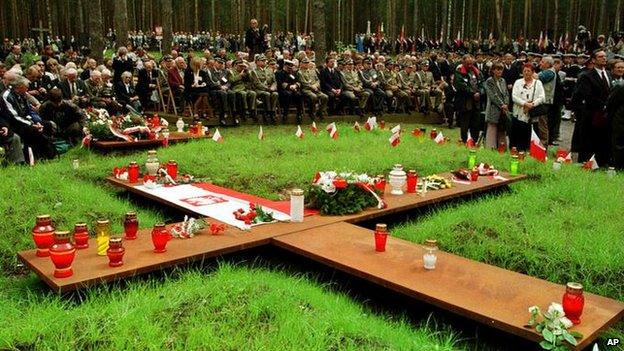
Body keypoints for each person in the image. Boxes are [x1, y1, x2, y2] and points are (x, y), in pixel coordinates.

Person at [571, 50, 612, 166]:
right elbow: (588, 96)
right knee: (589, 142)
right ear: (593, 60)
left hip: (605, 115)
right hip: (592, 115)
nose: (604, 58)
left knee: (602, 141)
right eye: (600, 57)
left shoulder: (608, 74)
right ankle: (586, 164)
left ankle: (601, 163)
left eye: (605, 56)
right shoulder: (586, 76)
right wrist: (603, 105)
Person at [1, 76, 56, 160]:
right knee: (33, 130)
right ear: (19, 87)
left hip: (25, 121)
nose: (27, 89)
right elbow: (14, 116)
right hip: (13, 124)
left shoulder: (23, 94)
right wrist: (31, 124)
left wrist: (35, 122)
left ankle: (47, 154)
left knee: (47, 125)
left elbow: (28, 111)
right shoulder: (6, 96)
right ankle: (39, 157)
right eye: (26, 88)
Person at [510, 64, 545, 151]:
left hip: (532, 114)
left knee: (531, 135)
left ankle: (529, 151)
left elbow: (542, 97)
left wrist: (532, 104)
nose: (526, 73)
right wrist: (525, 104)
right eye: (524, 71)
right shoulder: (518, 82)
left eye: (528, 71)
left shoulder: (538, 83)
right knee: (517, 134)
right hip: (519, 113)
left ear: (533, 72)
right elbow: (514, 97)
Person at [454, 54, 483, 143]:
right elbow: (460, 86)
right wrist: (473, 93)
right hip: (465, 103)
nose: (470, 65)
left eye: (471, 63)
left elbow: (482, 84)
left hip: (476, 103)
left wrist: (480, 92)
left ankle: (473, 141)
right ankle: (464, 141)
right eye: (467, 64)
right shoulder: (459, 72)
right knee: (464, 125)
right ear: (463, 62)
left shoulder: (477, 72)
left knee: (476, 124)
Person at [483, 62, 510, 149]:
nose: (499, 71)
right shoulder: (489, 81)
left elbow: (506, 94)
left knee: (502, 129)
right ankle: (490, 148)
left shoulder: (503, 80)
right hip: (493, 108)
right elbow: (493, 96)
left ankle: (502, 148)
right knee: (492, 128)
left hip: (503, 110)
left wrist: (506, 104)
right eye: (497, 69)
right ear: (493, 70)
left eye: (501, 69)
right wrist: (502, 105)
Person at [250, 54, 279, 123]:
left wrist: (273, 87)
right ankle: (266, 113)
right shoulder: (254, 71)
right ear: (257, 62)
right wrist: (268, 89)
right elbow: (257, 84)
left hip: (269, 89)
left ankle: (272, 112)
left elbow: (274, 81)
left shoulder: (269, 70)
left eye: (265, 60)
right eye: (262, 61)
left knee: (275, 94)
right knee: (266, 94)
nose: (264, 62)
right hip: (259, 90)